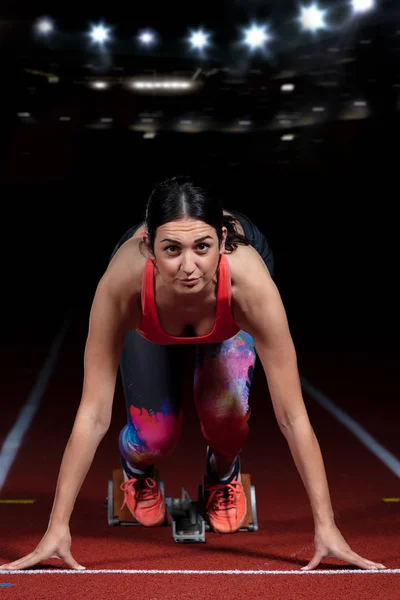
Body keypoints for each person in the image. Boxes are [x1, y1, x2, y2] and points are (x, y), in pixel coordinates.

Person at [0, 176, 386, 572]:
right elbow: (93, 413)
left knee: (228, 421)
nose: (188, 268)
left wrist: (327, 527)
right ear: (149, 248)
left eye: (202, 247)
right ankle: (137, 468)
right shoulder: (121, 287)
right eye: (171, 250)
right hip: (151, 306)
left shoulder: (250, 288)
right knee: (155, 435)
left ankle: (223, 474)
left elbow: (292, 416)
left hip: (227, 301)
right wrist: (56, 528)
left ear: (221, 241)